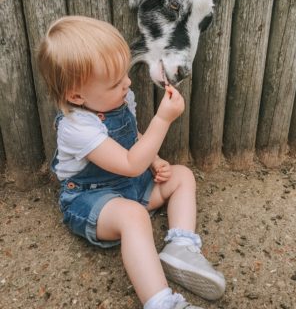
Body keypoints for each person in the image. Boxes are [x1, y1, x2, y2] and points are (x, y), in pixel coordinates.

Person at [37, 16, 225, 309]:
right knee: (134, 217)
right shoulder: (76, 126)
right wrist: (163, 119)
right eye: (115, 83)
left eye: (125, 74)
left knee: (182, 176)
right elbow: (128, 163)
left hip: (132, 188)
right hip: (92, 202)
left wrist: (156, 161)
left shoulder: (119, 99)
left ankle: (182, 247)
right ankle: (162, 302)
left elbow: (131, 137)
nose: (127, 83)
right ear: (77, 96)